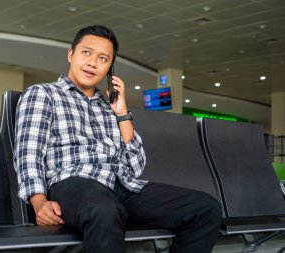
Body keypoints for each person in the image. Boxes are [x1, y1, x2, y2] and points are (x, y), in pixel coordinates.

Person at [14, 25, 222, 253]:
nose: (93, 62)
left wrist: (122, 114)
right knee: (104, 209)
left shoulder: (110, 108)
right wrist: (39, 202)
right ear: (71, 54)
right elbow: (28, 153)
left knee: (205, 208)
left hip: (120, 184)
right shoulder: (43, 94)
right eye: (86, 52)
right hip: (72, 182)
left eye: (102, 58)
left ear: (109, 69)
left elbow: (135, 166)